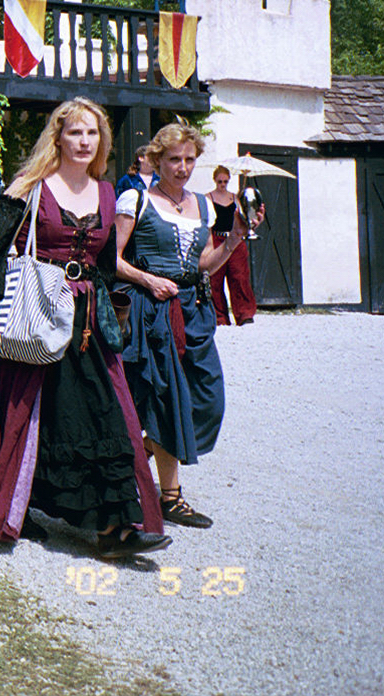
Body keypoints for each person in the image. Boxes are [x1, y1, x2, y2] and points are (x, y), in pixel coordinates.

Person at [0, 98, 169, 559]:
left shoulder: (109, 194)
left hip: (86, 324)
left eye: (92, 134)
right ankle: (18, 507)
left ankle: (116, 525)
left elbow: (108, 265)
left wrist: (125, 306)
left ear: (102, 141)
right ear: (58, 137)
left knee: (100, 414)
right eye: (75, 133)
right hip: (34, 316)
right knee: (28, 417)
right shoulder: (31, 186)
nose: (84, 142)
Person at [115, 125, 263, 530]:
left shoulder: (201, 203)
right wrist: (147, 280)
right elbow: (110, 258)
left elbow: (201, 265)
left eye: (189, 160)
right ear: (157, 160)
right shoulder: (137, 198)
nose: (182, 168)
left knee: (208, 398)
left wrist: (233, 238)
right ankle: (171, 498)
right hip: (152, 311)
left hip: (193, 310)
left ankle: (140, 451)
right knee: (167, 401)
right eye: (173, 160)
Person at [206, 166, 256, 326]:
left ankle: (244, 314)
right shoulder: (208, 198)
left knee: (239, 276)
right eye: (220, 181)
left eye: (225, 181)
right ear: (215, 180)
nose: (222, 184)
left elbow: (245, 217)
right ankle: (219, 316)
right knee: (215, 278)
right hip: (216, 239)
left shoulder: (235, 198)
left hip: (234, 240)